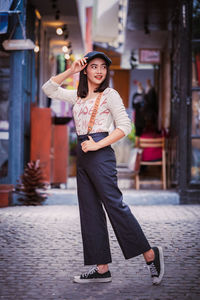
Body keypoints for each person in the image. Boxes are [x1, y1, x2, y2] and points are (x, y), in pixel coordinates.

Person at [42, 51, 164, 285]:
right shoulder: (77, 97)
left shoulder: (110, 95)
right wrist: (71, 70)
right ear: (85, 69)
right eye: (94, 66)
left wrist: (98, 143)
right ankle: (101, 269)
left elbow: (125, 126)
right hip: (83, 155)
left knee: (114, 206)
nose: (99, 71)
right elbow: (48, 89)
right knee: (89, 211)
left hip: (101, 155)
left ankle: (151, 255)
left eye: (103, 67)